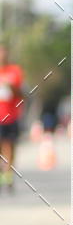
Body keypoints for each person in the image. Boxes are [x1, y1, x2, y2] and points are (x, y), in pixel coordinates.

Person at [0, 44, 24, 193]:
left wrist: (11, 87)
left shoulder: (14, 71)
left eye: (4, 53)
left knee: (10, 146)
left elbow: (21, 93)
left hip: (11, 116)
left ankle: (8, 175)